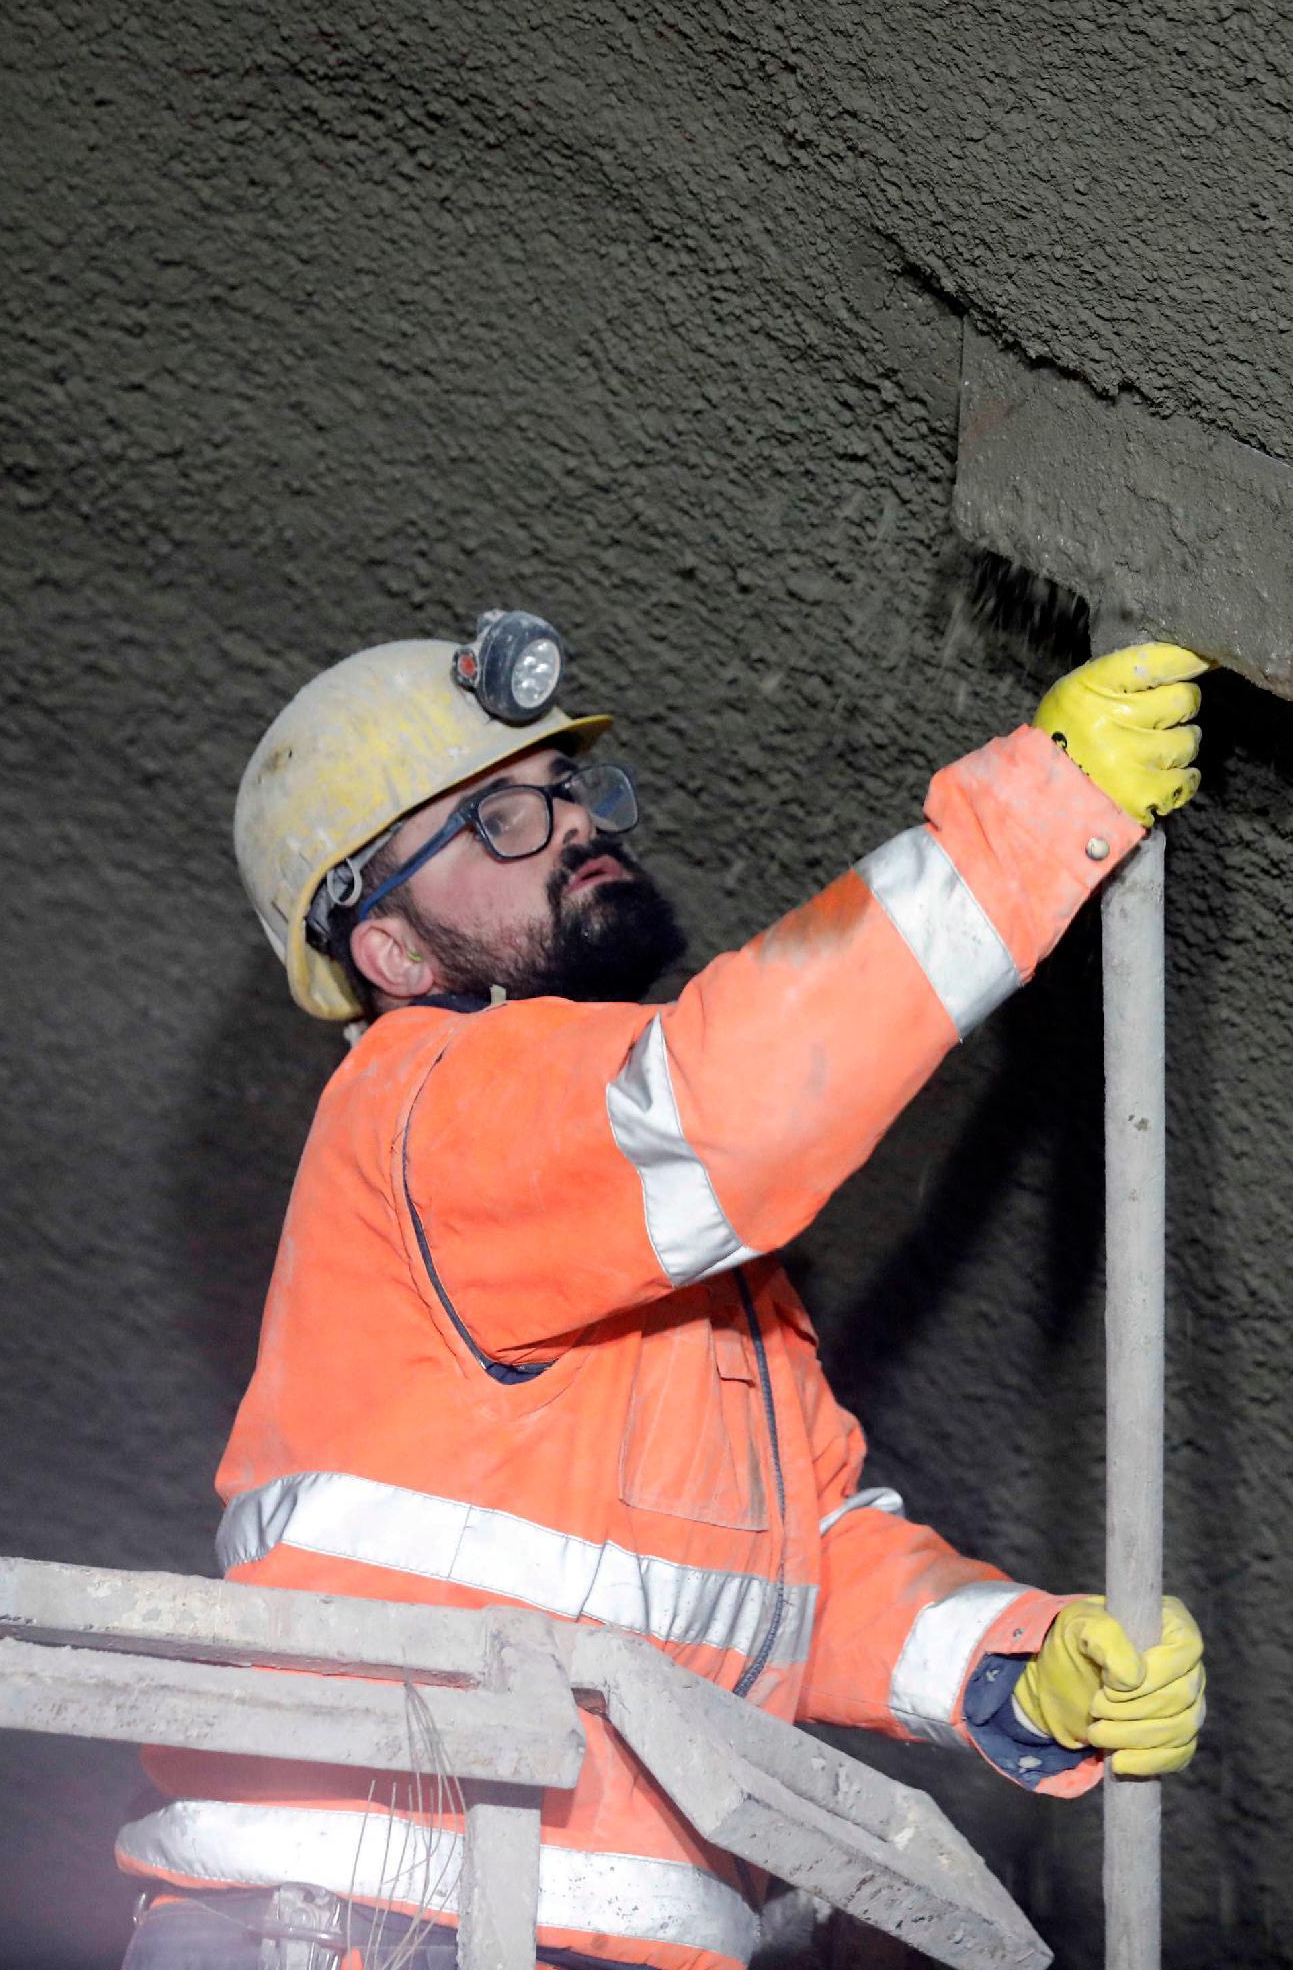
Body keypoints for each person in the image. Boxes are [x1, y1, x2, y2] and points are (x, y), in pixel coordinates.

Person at [117, 611, 1213, 1970]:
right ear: (394, 958)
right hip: (369, 1927)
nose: (572, 823)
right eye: (498, 822)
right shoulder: (421, 1105)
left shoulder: (698, 1282)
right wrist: (1046, 811)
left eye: (567, 792)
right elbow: (738, 1102)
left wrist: (1019, 1666)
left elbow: (799, 1571)